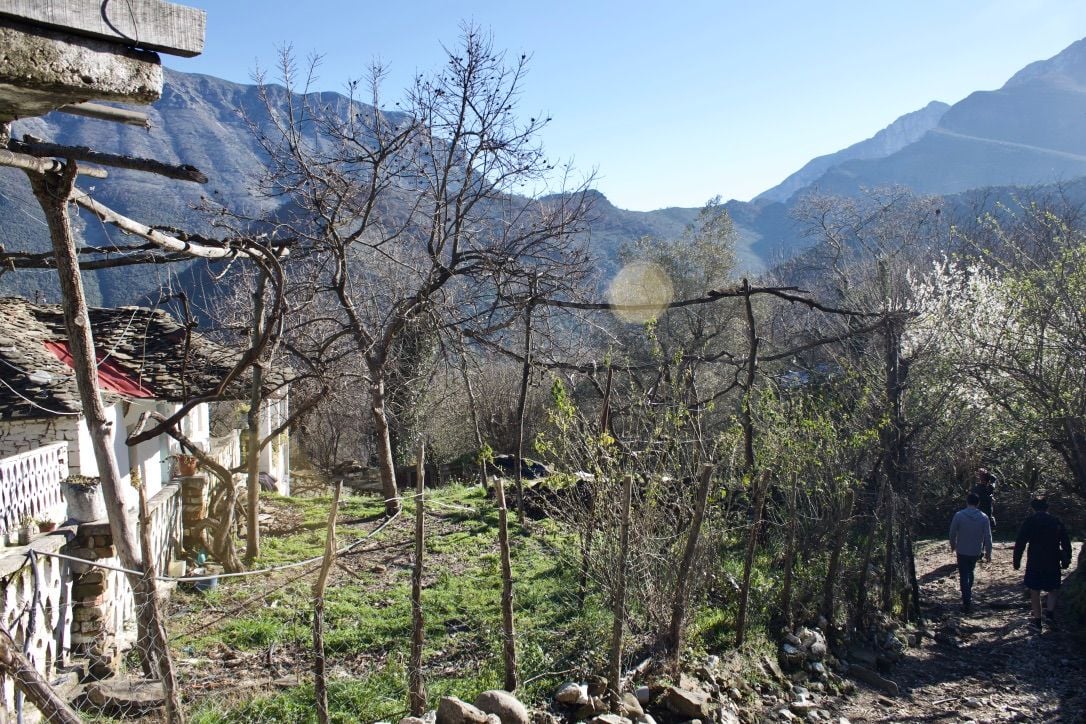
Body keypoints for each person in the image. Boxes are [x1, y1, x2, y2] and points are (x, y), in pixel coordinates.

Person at [1013, 496, 1073, 629]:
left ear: (1033, 508)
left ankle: (1037, 620)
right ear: (1047, 508)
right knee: (1053, 588)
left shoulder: (1030, 521)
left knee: (1034, 590)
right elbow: (1066, 541)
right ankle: (1050, 614)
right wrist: (1067, 556)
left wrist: (1016, 561)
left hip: (1035, 559)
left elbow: (1020, 542)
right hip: (1052, 559)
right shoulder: (1055, 521)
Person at [949, 492, 993, 613]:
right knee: (971, 571)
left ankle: (966, 599)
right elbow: (988, 537)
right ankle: (968, 593)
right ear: (978, 503)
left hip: (962, 549)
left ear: (967, 502)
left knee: (964, 575)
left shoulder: (959, 515)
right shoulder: (984, 517)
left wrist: (953, 545)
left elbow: (952, 533)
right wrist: (989, 552)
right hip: (975, 551)